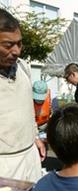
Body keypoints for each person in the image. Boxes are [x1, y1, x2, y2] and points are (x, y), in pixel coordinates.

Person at [0, 9, 45, 182]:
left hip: (29, 157)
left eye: (19, 43)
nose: (17, 51)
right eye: (8, 45)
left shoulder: (24, 68)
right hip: (3, 166)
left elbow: (27, 108)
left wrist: (34, 136)